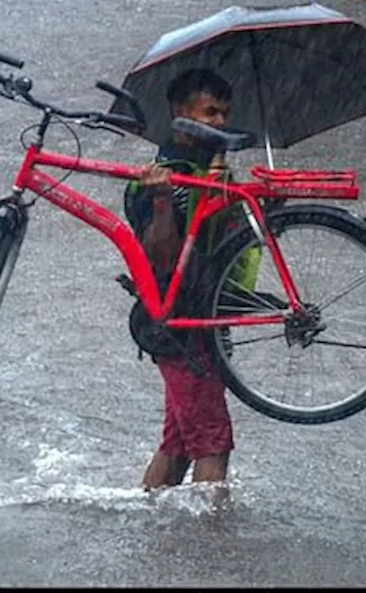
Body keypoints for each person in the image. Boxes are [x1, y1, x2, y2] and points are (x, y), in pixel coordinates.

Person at [124, 68, 260, 495]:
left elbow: (228, 246)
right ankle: (209, 547)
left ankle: (154, 524)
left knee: (180, 442)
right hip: (181, 325)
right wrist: (163, 198)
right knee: (213, 441)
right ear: (180, 113)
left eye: (225, 113)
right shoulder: (159, 178)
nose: (220, 122)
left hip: (208, 321)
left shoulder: (212, 172)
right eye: (210, 113)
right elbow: (161, 256)